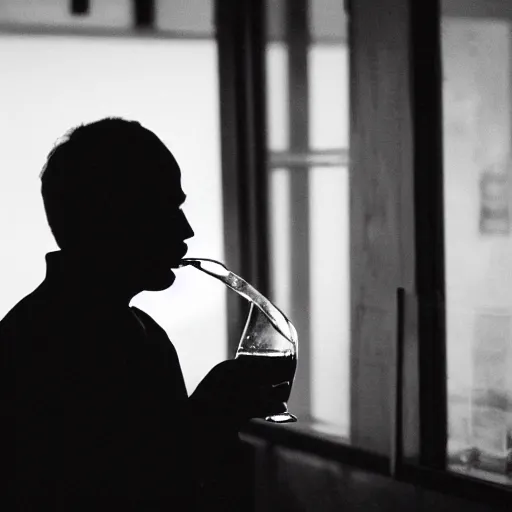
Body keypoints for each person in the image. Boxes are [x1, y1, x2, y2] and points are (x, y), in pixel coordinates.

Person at [0, 118, 285, 510]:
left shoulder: (143, 334)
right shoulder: (35, 348)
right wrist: (205, 421)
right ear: (110, 217)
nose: (186, 231)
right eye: (167, 208)